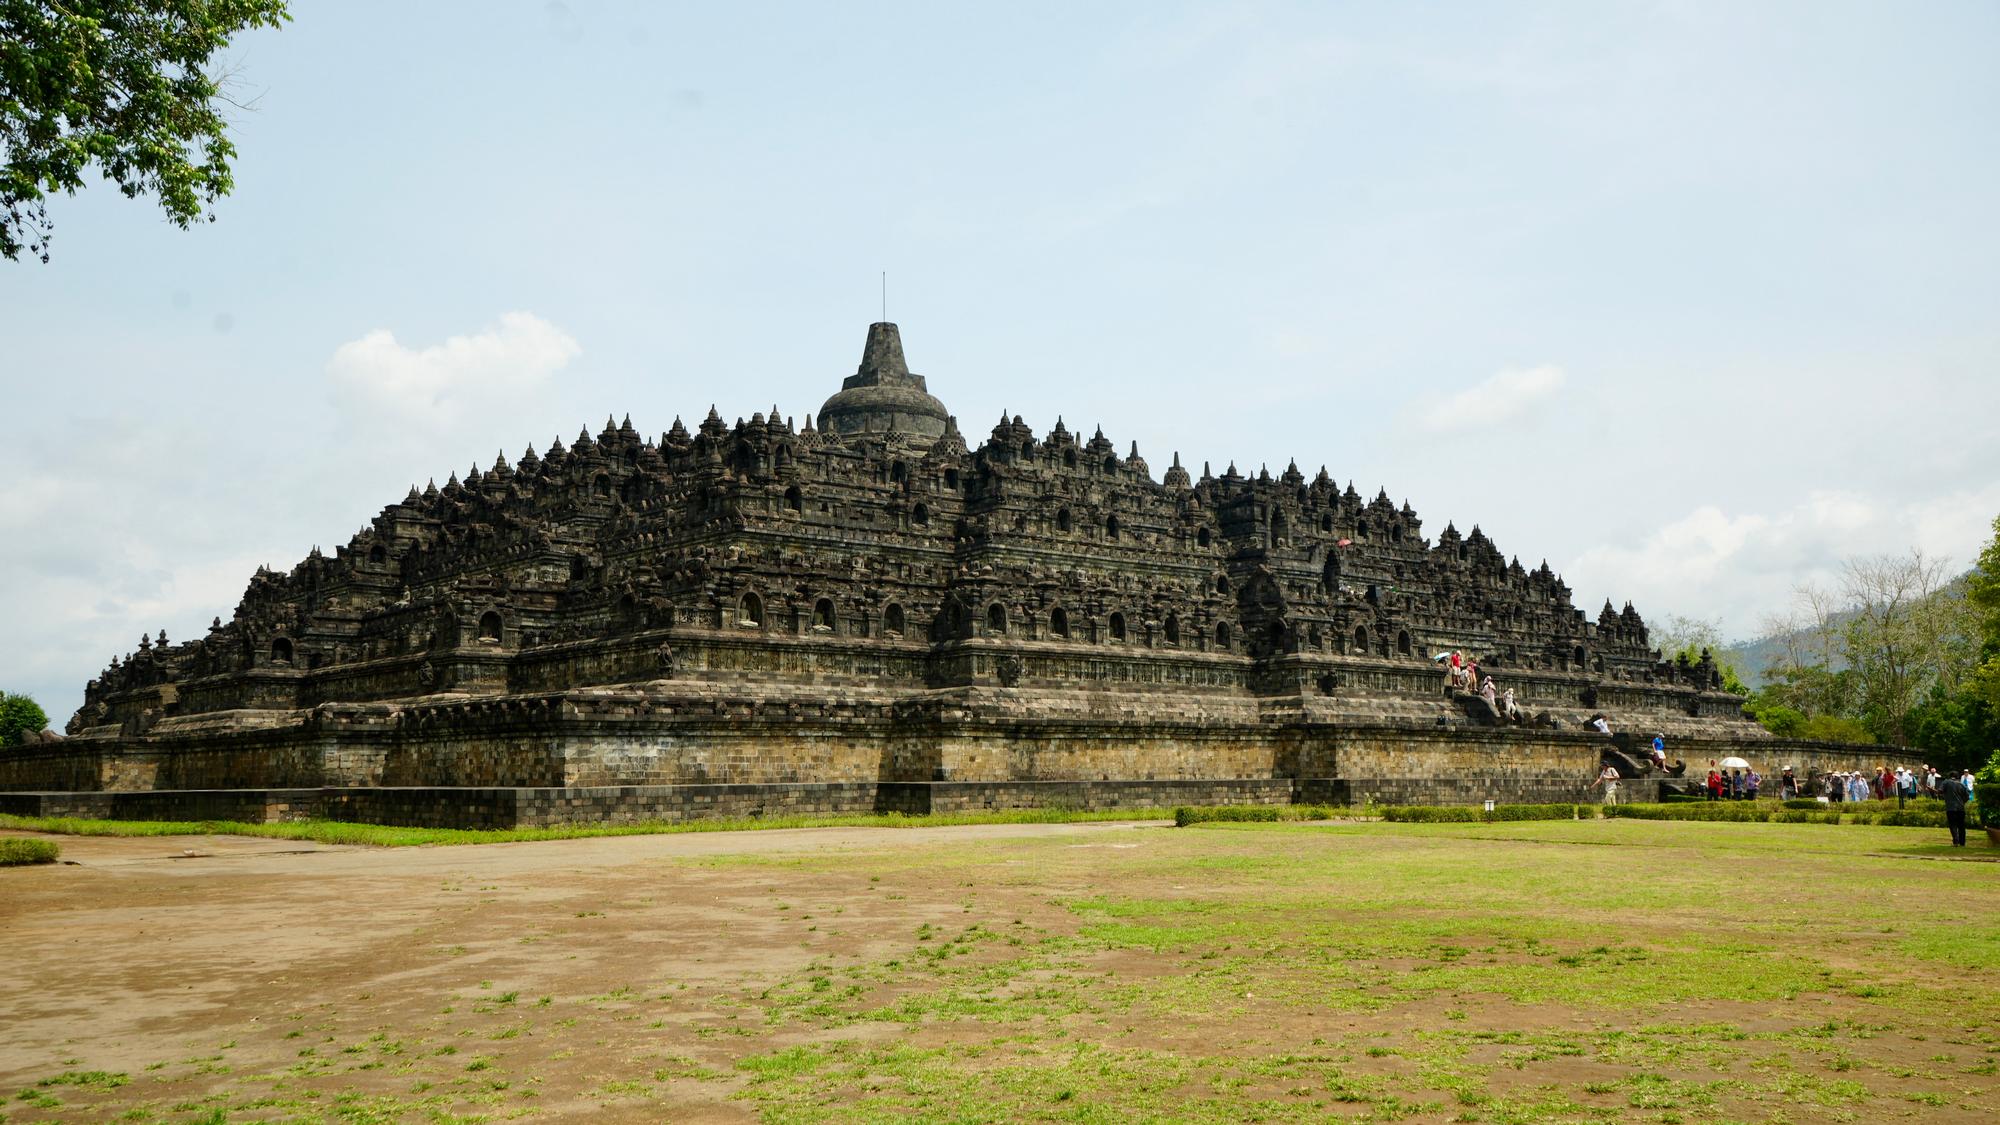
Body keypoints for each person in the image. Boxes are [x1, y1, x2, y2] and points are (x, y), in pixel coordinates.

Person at [1940, 770, 1970, 847]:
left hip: (1951, 808)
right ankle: (1962, 843)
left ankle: (1956, 841)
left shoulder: (1946, 782)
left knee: (1953, 825)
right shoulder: (1962, 785)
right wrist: (1962, 802)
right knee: (1961, 826)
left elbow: (1940, 791)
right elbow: (1967, 797)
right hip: (1961, 808)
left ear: (1950, 776)